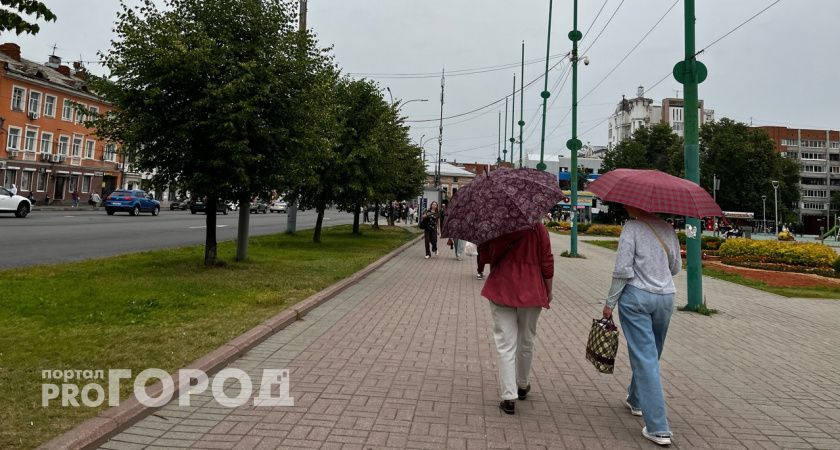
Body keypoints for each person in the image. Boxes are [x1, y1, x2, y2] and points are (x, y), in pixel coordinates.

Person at [602, 205, 681, 446]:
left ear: (635, 204)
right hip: (665, 298)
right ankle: (636, 399)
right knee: (651, 354)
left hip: (636, 298)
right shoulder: (669, 229)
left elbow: (623, 269)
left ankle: (658, 427)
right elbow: (676, 267)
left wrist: (610, 302)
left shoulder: (632, 228)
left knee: (645, 357)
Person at [479, 223, 553, 415]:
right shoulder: (539, 229)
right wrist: (548, 290)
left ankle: (508, 395)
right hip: (531, 288)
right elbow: (547, 261)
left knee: (505, 344)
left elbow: (486, 257)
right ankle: (522, 384)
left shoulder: (497, 226)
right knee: (527, 339)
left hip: (502, 286)